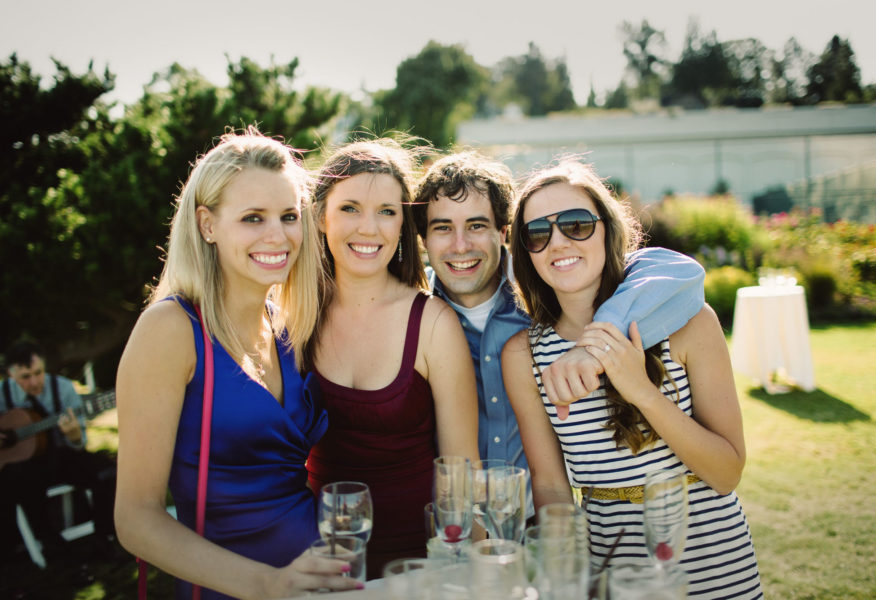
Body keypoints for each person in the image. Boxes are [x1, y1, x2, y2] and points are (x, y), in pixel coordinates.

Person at [114, 129, 361, 599]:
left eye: (289, 216)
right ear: (207, 224)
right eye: (253, 218)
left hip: (320, 585)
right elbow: (135, 518)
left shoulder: (285, 326)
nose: (278, 235)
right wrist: (267, 584)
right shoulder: (171, 329)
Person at [502, 160, 763, 598]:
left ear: (607, 230)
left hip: (711, 564)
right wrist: (566, 570)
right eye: (538, 233)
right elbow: (549, 486)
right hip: (608, 568)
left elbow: (726, 473)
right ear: (525, 251)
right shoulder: (523, 355)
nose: (558, 242)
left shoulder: (690, 323)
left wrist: (642, 391)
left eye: (576, 224)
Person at [412, 152, 705, 517]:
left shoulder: (546, 295)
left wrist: (597, 341)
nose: (460, 245)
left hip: (540, 522)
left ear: (503, 233)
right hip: (451, 524)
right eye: (442, 228)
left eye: (476, 225)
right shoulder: (410, 319)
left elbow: (675, 271)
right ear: (422, 239)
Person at [305, 139, 480, 577]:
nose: (369, 228)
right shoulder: (295, 316)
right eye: (350, 208)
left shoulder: (434, 323)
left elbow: (461, 473)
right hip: (316, 563)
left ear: (403, 224)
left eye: (386, 211)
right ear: (321, 216)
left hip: (418, 568)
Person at [0, 340, 116, 561]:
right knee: (16, 479)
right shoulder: (2, 394)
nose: (34, 382)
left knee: (107, 471)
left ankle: (104, 536)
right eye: (25, 377)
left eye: (38, 373)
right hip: (24, 468)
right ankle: (48, 541)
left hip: (62, 457)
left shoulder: (63, 389)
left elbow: (79, 444)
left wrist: (73, 435)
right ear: (11, 375)